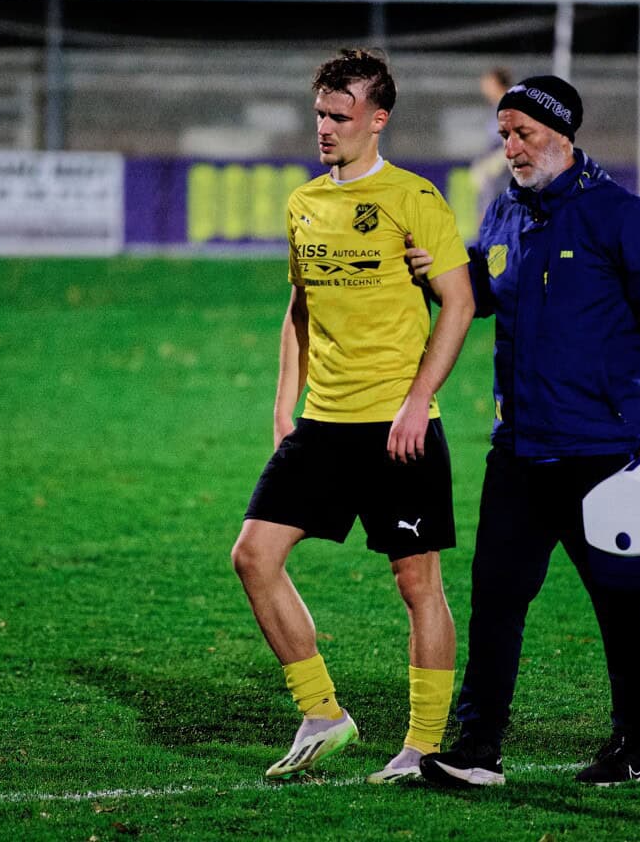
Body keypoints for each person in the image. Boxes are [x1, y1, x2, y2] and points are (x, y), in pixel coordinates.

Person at [407, 75, 640, 788]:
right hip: (520, 448)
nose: (510, 147)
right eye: (503, 134)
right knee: (497, 598)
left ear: (563, 135)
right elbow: (481, 288)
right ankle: (479, 751)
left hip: (603, 448)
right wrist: (438, 274)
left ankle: (638, 745)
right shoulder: (508, 212)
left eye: (523, 134)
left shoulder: (618, 215)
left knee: (618, 600)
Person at [230, 48, 475, 784]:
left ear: (378, 119)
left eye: (340, 117)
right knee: (253, 556)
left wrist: (413, 405)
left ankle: (422, 746)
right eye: (319, 115)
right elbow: (298, 309)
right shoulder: (303, 203)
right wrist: (284, 406)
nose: (326, 128)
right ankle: (322, 713)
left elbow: (458, 307)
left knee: (416, 583)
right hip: (323, 425)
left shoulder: (415, 200)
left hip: (399, 428)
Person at [468, 67, 512, 226]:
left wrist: (495, 161)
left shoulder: (509, 106)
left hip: (506, 165)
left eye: (488, 82)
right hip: (496, 164)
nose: (484, 86)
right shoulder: (496, 107)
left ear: (497, 83)